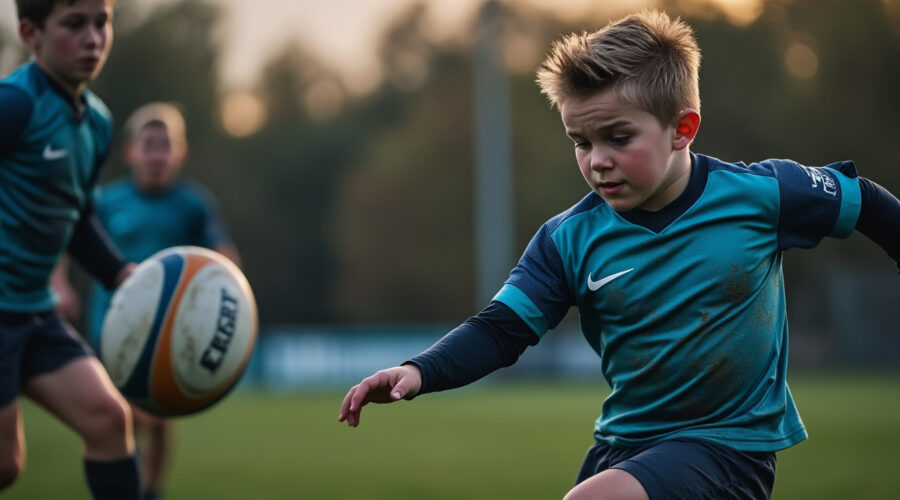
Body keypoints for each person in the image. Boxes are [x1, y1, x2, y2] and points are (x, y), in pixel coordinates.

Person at [339, 10, 900, 500]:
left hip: (729, 448)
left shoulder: (766, 196)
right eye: (581, 142)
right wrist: (419, 369)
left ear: (682, 129)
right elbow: (502, 329)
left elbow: (867, 202)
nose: (596, 160)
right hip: (623, 450)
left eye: (617, 138)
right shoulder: (568, 239)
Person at [53, 101, 240, 500]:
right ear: (131, 152)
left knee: (155, 419)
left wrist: (231, 289)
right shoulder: (106, 201)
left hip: (174, 332)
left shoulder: (193, 203)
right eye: (149, 144)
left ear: (180, 152)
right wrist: (61, 284)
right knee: (122, 415)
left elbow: (221, 252)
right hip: (113, 328)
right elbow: (67, 239)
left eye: (165, 145)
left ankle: (150, 491)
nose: (157, 154)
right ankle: (130, 485)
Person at [0, 1, 141, 499]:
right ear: (30, 33)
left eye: (101, 23)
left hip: (35, 311)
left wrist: (120, 271)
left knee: (108, 418)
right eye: (74, 25)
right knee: (5, 465)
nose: (92, 39)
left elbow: (77, 217)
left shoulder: (98, 123)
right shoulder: (14, 104)